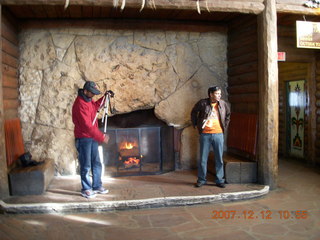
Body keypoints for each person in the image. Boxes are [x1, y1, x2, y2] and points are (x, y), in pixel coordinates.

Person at [72, 81, 110, 199]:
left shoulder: (88, 100)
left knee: (96, 162)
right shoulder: (80, 104)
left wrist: (105, 98)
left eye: (95, 93)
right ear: (85, 91)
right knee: (86, 164)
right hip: (84, 138)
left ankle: (97, 185)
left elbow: (94, 108)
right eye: (92, 93)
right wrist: (101, 137)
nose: (93, 95)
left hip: (92, 137)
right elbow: (87, 126)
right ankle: (86, 189)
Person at [191, 86, 231, 188]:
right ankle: (201, 179)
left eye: (220, 94)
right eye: (217, 94)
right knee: (203, 159)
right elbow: (194, 112)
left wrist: (224, 126)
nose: (219, 95)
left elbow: (228, 115)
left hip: (218, 134)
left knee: (219, 158)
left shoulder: (223, 104)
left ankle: (219, 180)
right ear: (211, 94)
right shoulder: (203, 103)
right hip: (205, 134)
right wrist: (195, 124)